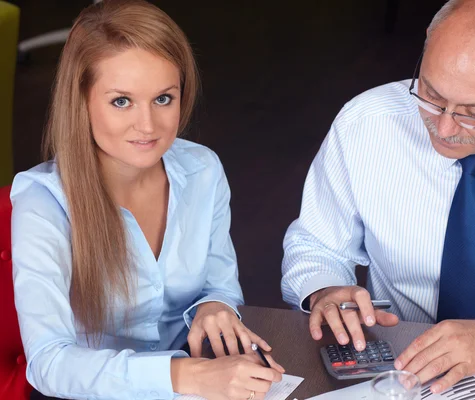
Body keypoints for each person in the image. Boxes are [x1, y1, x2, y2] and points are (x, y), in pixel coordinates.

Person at [281, 0, 475, 394]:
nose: (444, 128)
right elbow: (315, 243)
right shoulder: (367, 123)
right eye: (430, 95)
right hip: (397, 366)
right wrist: (325, 289)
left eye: (474, 112)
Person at [11, 1, 283, 399]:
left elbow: (221, 285)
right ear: (81, 100)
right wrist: (184, 376)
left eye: (163, 99)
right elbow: (49, 362)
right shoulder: (45, 203)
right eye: (121, 101)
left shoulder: (202, 170)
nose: (148, 125)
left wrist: (214, 306)